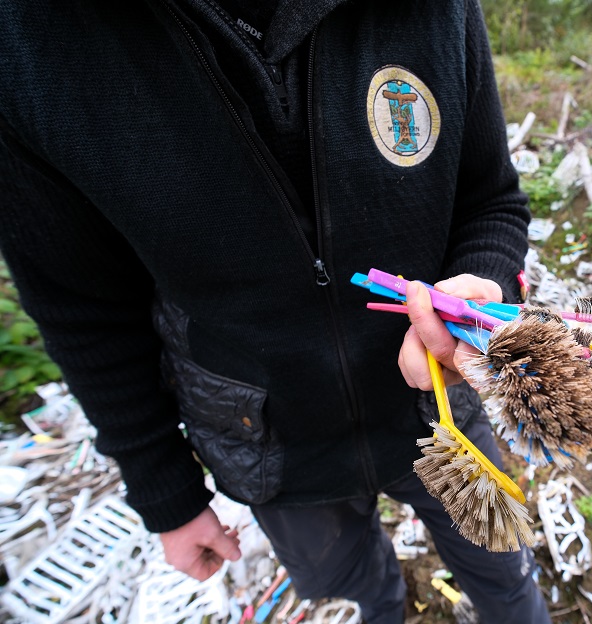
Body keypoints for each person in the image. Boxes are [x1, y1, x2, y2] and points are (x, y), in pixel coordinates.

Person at [0, 0, 551, 622]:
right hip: (269, 446)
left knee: (504, 569)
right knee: (357, 593)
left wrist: (480, 287)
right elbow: (84, 308)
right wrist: (167, 495)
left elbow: (492, 199)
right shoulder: (27, 43)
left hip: (439, 404)